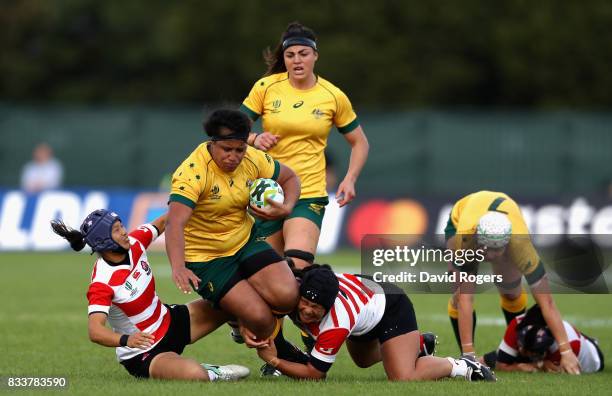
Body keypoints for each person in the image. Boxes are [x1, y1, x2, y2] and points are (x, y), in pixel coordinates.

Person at [165, 109, 304, 358]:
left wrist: (288, 206)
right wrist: (178, 267)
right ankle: (269, 342)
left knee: (288, 295)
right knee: (260, 318)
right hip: (206, 259)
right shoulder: (193, 173)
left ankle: (238, 312)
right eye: (226, 149)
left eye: (239, 150)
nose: (234, 156)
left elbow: (290, 177)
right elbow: (175, 223)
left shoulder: (252, 158)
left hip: (244, 241)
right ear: (213, 143)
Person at [50, 209, 249, 381]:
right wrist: (127, 340)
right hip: (144, 351)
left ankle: (238, 331)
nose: (125, 232)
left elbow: (164, 221)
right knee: (195, 375)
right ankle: (213, 372)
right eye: (117, 230)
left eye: (122, 225)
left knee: (233, 299)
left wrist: (192, 204)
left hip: (170, 320)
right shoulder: (102, 283)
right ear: (103, 241)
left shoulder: (136, 242)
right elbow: (95, 331)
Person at [240, 22, 370, 270]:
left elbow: (360, 143)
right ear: (284, 58)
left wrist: (350, 179)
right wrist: (255, 139)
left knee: (297, 267)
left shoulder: (332, 95)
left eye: (303, 54)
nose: (297, 60)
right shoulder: (266, 88)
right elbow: (234, 129)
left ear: (315, 56)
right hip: (268, 193)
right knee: (267, 279)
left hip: (307, 193)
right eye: (290, 55)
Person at [254, 265, 496, 382]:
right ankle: (419, 344)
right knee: (363, 361)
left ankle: (461, 366)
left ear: (328, 307)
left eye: (316, 308)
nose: (306, 310)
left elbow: (315, 374)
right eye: (305, 302)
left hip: (390, 306)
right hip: (365, 309)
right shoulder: (292, 289)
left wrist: (275, 361)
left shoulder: (337, 322)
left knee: (402, 376)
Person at [444, 190, 581, 374]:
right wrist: (469, 356)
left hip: (505, 218)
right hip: (460, 218)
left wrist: (566, 351)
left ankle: (519, 351)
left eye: (496, 249)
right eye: (484, 248)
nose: (489, 256)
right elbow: (466, 299)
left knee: (511, 293)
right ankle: (466, 357)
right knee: (459, 295)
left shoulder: (520, 244)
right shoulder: (467, 238)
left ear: (507, 244)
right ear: (478, 238)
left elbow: (546, 301)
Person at [490, 304, 604, 373]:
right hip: (549, 347)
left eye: (531, 351)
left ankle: (591, 342)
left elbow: (552, 371)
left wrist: (538, 366)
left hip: (593, 356)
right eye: (520, 344)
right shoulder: (517, 324)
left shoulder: (569, 346)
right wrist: (519, 367)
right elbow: (501, 365)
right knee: (484, 361)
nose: (520, 351)